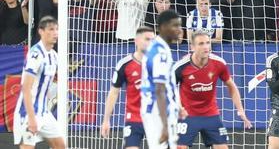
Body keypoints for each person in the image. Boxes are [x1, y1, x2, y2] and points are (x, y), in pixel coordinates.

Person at [175, 32, 252, 149]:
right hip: (187, 115)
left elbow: (231, 85)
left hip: (211, 114)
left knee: (222, 147)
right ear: (192, 47)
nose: (206, 47)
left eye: (207, 43)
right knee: (179, 147)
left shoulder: (219, 63)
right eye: (201, 43)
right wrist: (178, 107)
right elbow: (168, 89)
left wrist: (240, 110)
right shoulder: (181, 66)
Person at [99, 26, 153, 147]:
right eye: (147, 39)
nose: (150, 43)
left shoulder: (160, 63)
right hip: (134, 118)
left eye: (152, 40)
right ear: (136, 41)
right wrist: (106, 120)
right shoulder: (125, 64)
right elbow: (114, 92)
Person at [15, 16, 63, 149]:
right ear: (41, 31)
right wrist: (31, 118)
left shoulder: (54, 55)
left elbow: (51, 82)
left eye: (57, 29)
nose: (55, 33)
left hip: (44, 112)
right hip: (28, 112)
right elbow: (26, 88)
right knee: (28, 146)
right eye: (51, 29)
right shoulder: (35, 54)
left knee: (60, 145)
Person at [141, 9, 183, 149]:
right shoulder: (160, 53)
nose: (179, 30)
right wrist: (165, 125)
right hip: (158, 113)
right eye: (175, 25)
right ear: (163, 27)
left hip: (155, 110)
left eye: (180, 25)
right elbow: (159, 90)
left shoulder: (156, 47)